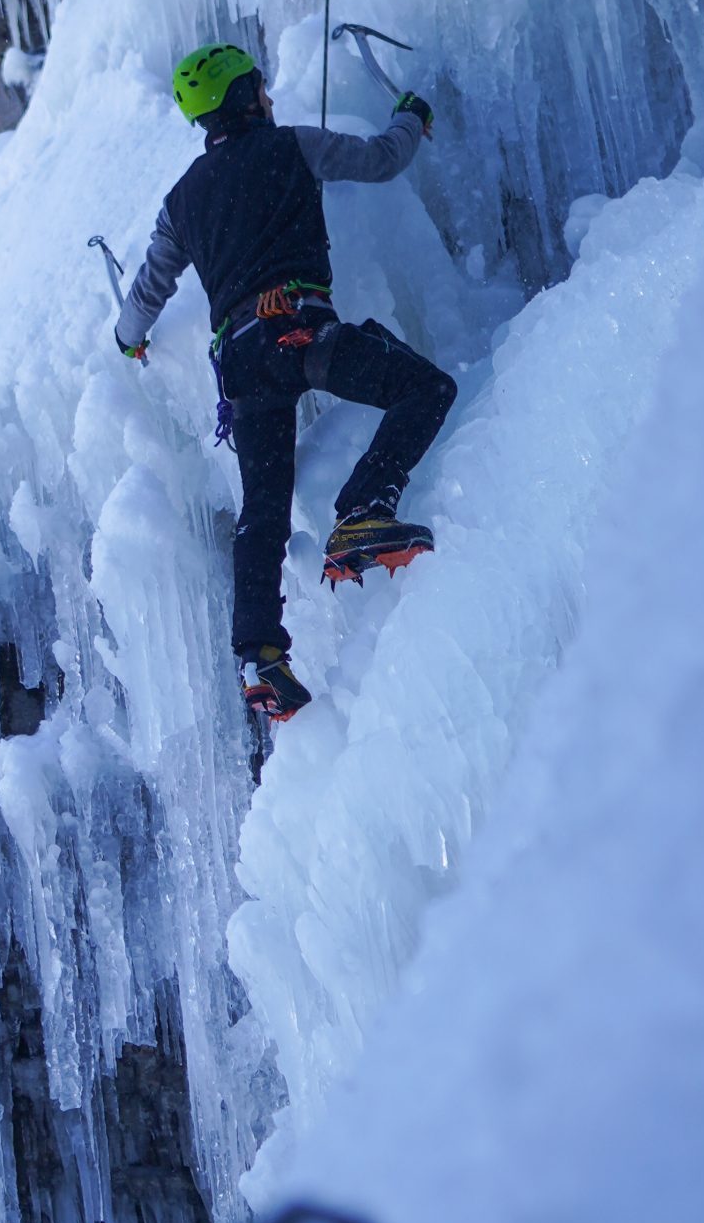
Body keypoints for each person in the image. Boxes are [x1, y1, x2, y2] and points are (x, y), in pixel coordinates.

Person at [113, 42, 457, 722]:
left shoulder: (182, 201)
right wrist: (411, 116)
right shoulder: (293, 146)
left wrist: (131, 340)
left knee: (262, 510)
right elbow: (382, 160)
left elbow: (147, 291)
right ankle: (363, 512)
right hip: (301, 332)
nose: (268, 96)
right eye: (258, 88)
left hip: (241, 367)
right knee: (424, 389)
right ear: (243, 97)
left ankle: (258, 655)